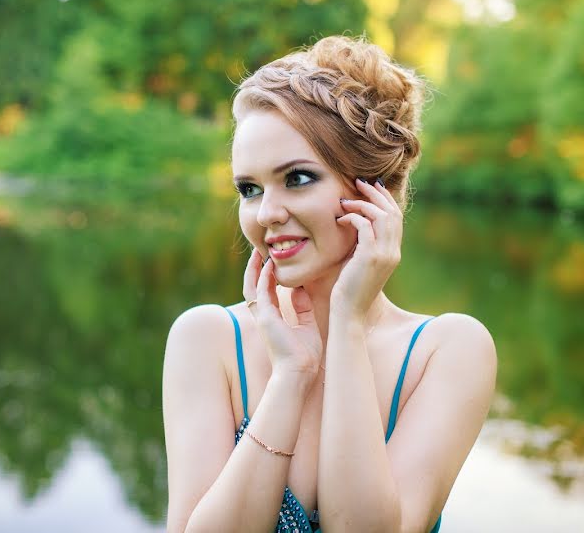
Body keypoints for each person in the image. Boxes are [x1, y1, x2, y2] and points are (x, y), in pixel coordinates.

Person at [162, 35, 497, 533]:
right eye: (249, 189)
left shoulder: (448, 350)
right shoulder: (206, 339)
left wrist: (347, 322)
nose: (267, 214)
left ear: (373, 191)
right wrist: (291, 376)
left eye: (296, 178)